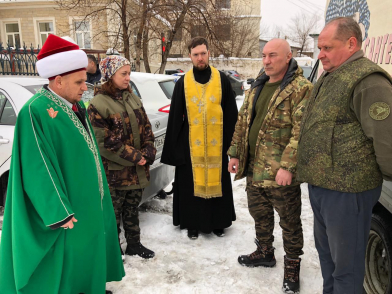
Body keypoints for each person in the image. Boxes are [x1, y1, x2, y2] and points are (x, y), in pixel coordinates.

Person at [0, 34, 124, 294]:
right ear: (58, 80)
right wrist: (58, 212)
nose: (85, 87)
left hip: (88, 203)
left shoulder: (75, 106)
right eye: (79, 81)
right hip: (67, 210)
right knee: (65, 264)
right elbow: (37, 166)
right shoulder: (35, 111)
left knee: (86, 256)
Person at [297, 17, 392, 294]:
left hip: (349, 193)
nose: (321, 54)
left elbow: (386, 142)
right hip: (324, 188)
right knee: (329, 263)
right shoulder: (332, 74)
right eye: (319, 48)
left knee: (347, 271)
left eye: (327, 47)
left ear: (352, 43)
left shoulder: (368, 81)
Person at [228, 38, 313, 293]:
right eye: (264, 55)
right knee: (259, 213)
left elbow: (301, 132)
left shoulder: (301, 88)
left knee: (289, 221)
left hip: (280, 173)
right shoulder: (258, 85)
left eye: (272, 55)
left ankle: (292, 265)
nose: (266, 60)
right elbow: (243, 122)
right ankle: (265, 251)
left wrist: (288, 166)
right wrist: (234, 153)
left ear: (288, 57)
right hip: (254, 167)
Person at [161, 37, 238, 240]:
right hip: (190, 146)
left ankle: (218, 222)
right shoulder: (183, 83)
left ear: (209, 53)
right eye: (196, 54)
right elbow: (176, 116)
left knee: (218, 182)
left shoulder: (221, 80)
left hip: (217, 145)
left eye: (203, 53)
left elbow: (231, 115)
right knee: (189, 185)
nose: (200, 58)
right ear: (190, 56)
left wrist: (233, 148)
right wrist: (174, 150)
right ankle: (191, 223)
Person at [88, 55, 156, 259]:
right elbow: (105, 143)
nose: (128, 78)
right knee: (113, 215)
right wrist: (137, 157)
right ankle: (113, 251)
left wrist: (149, 150)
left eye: (129, 73)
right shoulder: (98, 104)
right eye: (123, 74)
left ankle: (134, 244)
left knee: (132, 210)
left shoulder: (132, 97)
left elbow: (146, 127)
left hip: (135, 171)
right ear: (110, 75)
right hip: (115, 175)